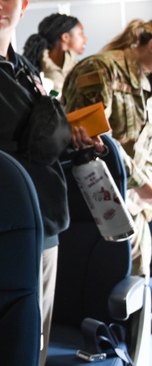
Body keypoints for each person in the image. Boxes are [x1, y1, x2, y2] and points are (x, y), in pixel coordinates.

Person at [0, 0, 99, 364]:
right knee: (7, 341)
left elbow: (37, 145)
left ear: (22, 6)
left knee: (37, 334)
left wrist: (72, 143)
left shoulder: (25, 69)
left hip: (45, 221)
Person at [62, 19, 152, 277]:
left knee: (138, 283)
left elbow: (142, 144)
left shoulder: (145, 82)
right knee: (109, 287)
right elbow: (95, 137)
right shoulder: (100, 69)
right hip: (100, 201)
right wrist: (143, 186)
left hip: (134, 202)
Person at [22, 13, 87, 95]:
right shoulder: (35, 72)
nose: (85, 39)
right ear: (66, 37)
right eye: (81, 33)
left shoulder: (80, 69)